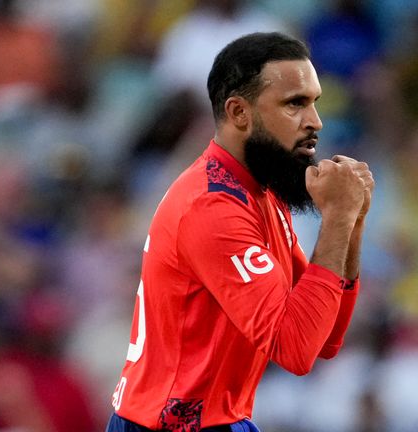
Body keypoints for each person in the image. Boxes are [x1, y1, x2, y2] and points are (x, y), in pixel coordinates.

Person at [106, 32, 374, 432]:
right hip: (171, 426)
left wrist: (351, 223)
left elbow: (325, 338)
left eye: (314, 102)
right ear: (239, 113)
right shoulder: (213, 207)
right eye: (295, 103)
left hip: (218, 420)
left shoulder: (261, 192)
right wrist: (337, 216)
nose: (315, 121)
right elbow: (296, 350)